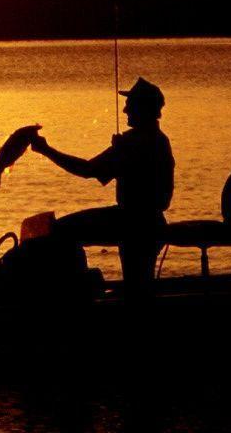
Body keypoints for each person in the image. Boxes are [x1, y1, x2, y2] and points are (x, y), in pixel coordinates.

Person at [30, 77, 174, 295]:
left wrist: (46, 150)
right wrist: (120, 153)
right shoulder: (158, 139)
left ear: (143, 109)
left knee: (61, 230)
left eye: (130, 104)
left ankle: (76, 293)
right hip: (148, 222)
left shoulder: (134, 142)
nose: (125, 109)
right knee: (138, 286)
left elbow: (87, 170)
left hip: (134, 223)